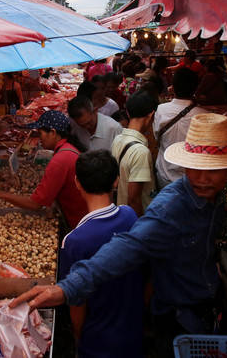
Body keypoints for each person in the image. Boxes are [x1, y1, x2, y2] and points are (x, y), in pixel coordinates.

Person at [11, 114, 227, 356]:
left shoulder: (216, 199)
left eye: (212, 170)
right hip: (177, 316)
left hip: (205, 302)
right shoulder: (171, 206)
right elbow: (128, 246)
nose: (203, 179)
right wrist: (67, 288)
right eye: (194, 168)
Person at [60, 150, 143, 358]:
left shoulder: (74, 242)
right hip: (133, 329)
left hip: (97, 340)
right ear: (116, 181)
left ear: (77, 183)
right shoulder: (130, 216)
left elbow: (76, 302)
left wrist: (78, 337)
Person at [0, 110, 88, 228]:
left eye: (40, 133)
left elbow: (36, 204)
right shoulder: (69, 148)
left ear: (52, 132)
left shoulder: (60, 159)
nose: (39, 138)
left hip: (79, 221)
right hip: (83, 215)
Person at [153, 68, 208, 189]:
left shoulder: (161, 110)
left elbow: (156, 137)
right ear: (195, 88)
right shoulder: (203, 115)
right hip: (192, 180)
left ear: (173, 87)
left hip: (165, 175)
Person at [111, 90, 158, 215]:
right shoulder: (141, 152)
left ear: (127, 112)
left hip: (122, 213)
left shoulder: (118, 139)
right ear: (151, 115)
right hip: (135, 219)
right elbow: (134, 199)